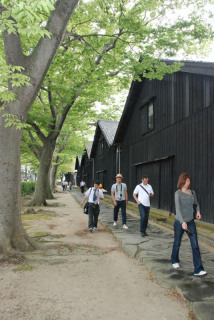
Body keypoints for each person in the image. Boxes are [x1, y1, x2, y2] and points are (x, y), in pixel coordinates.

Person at [171, 173, 207, 276]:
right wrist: (182, 222)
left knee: (195, 245)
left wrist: (198, 211)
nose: (188, 183)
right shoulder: (177, 193)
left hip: (190, 222)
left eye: (189, 181)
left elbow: (196, 204)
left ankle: (198, 269)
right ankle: (174, 260)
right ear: (182, 182)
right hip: (179, 222)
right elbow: (177, 210)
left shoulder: (192, 193)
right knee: (177, 243)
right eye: (187, 181)